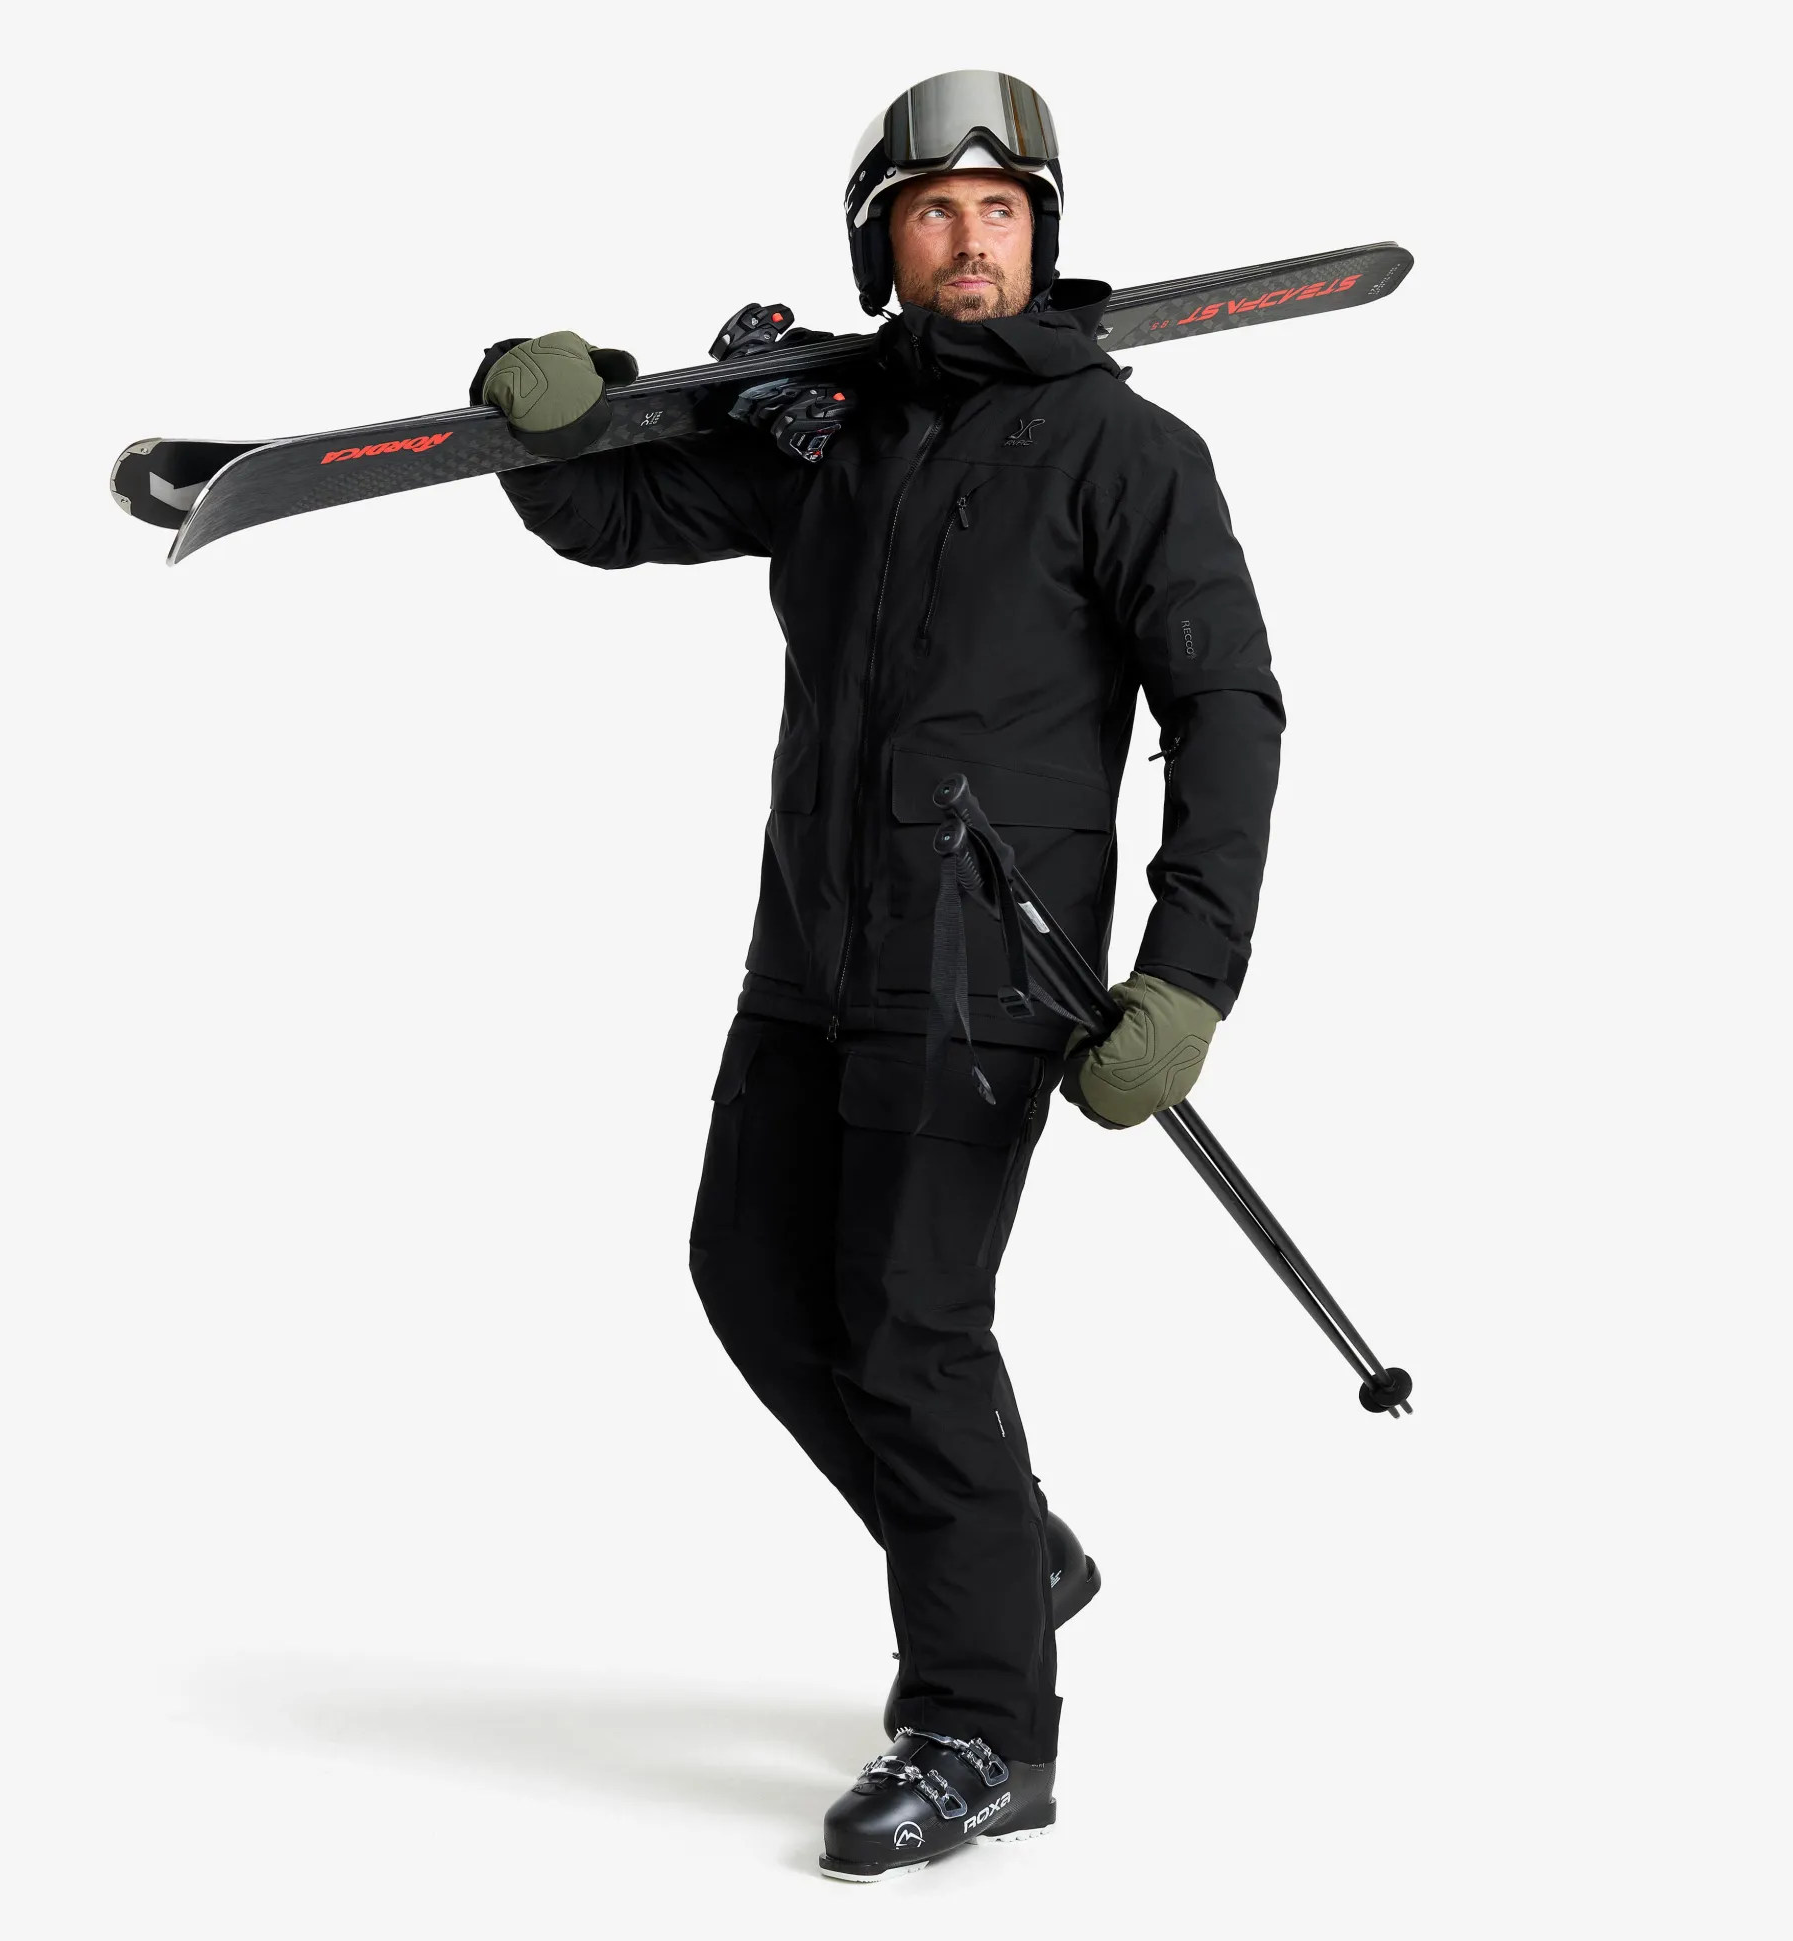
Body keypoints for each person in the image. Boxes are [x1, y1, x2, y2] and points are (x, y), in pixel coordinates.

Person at [474, 69, 1283, 1881]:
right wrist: (551, 424)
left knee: (911, 1329)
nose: (970, 239)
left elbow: (1229, 710)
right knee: (754, 1278)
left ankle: (985, 1731)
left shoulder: (1127, 453)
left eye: (1001, 210)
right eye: (935, 212)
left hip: (989, 965)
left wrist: (1189, 976)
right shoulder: (837, 433)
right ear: (884, 246)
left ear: (1041, 237)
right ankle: (1008, 1558)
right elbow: (622, 516)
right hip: (812, 946)